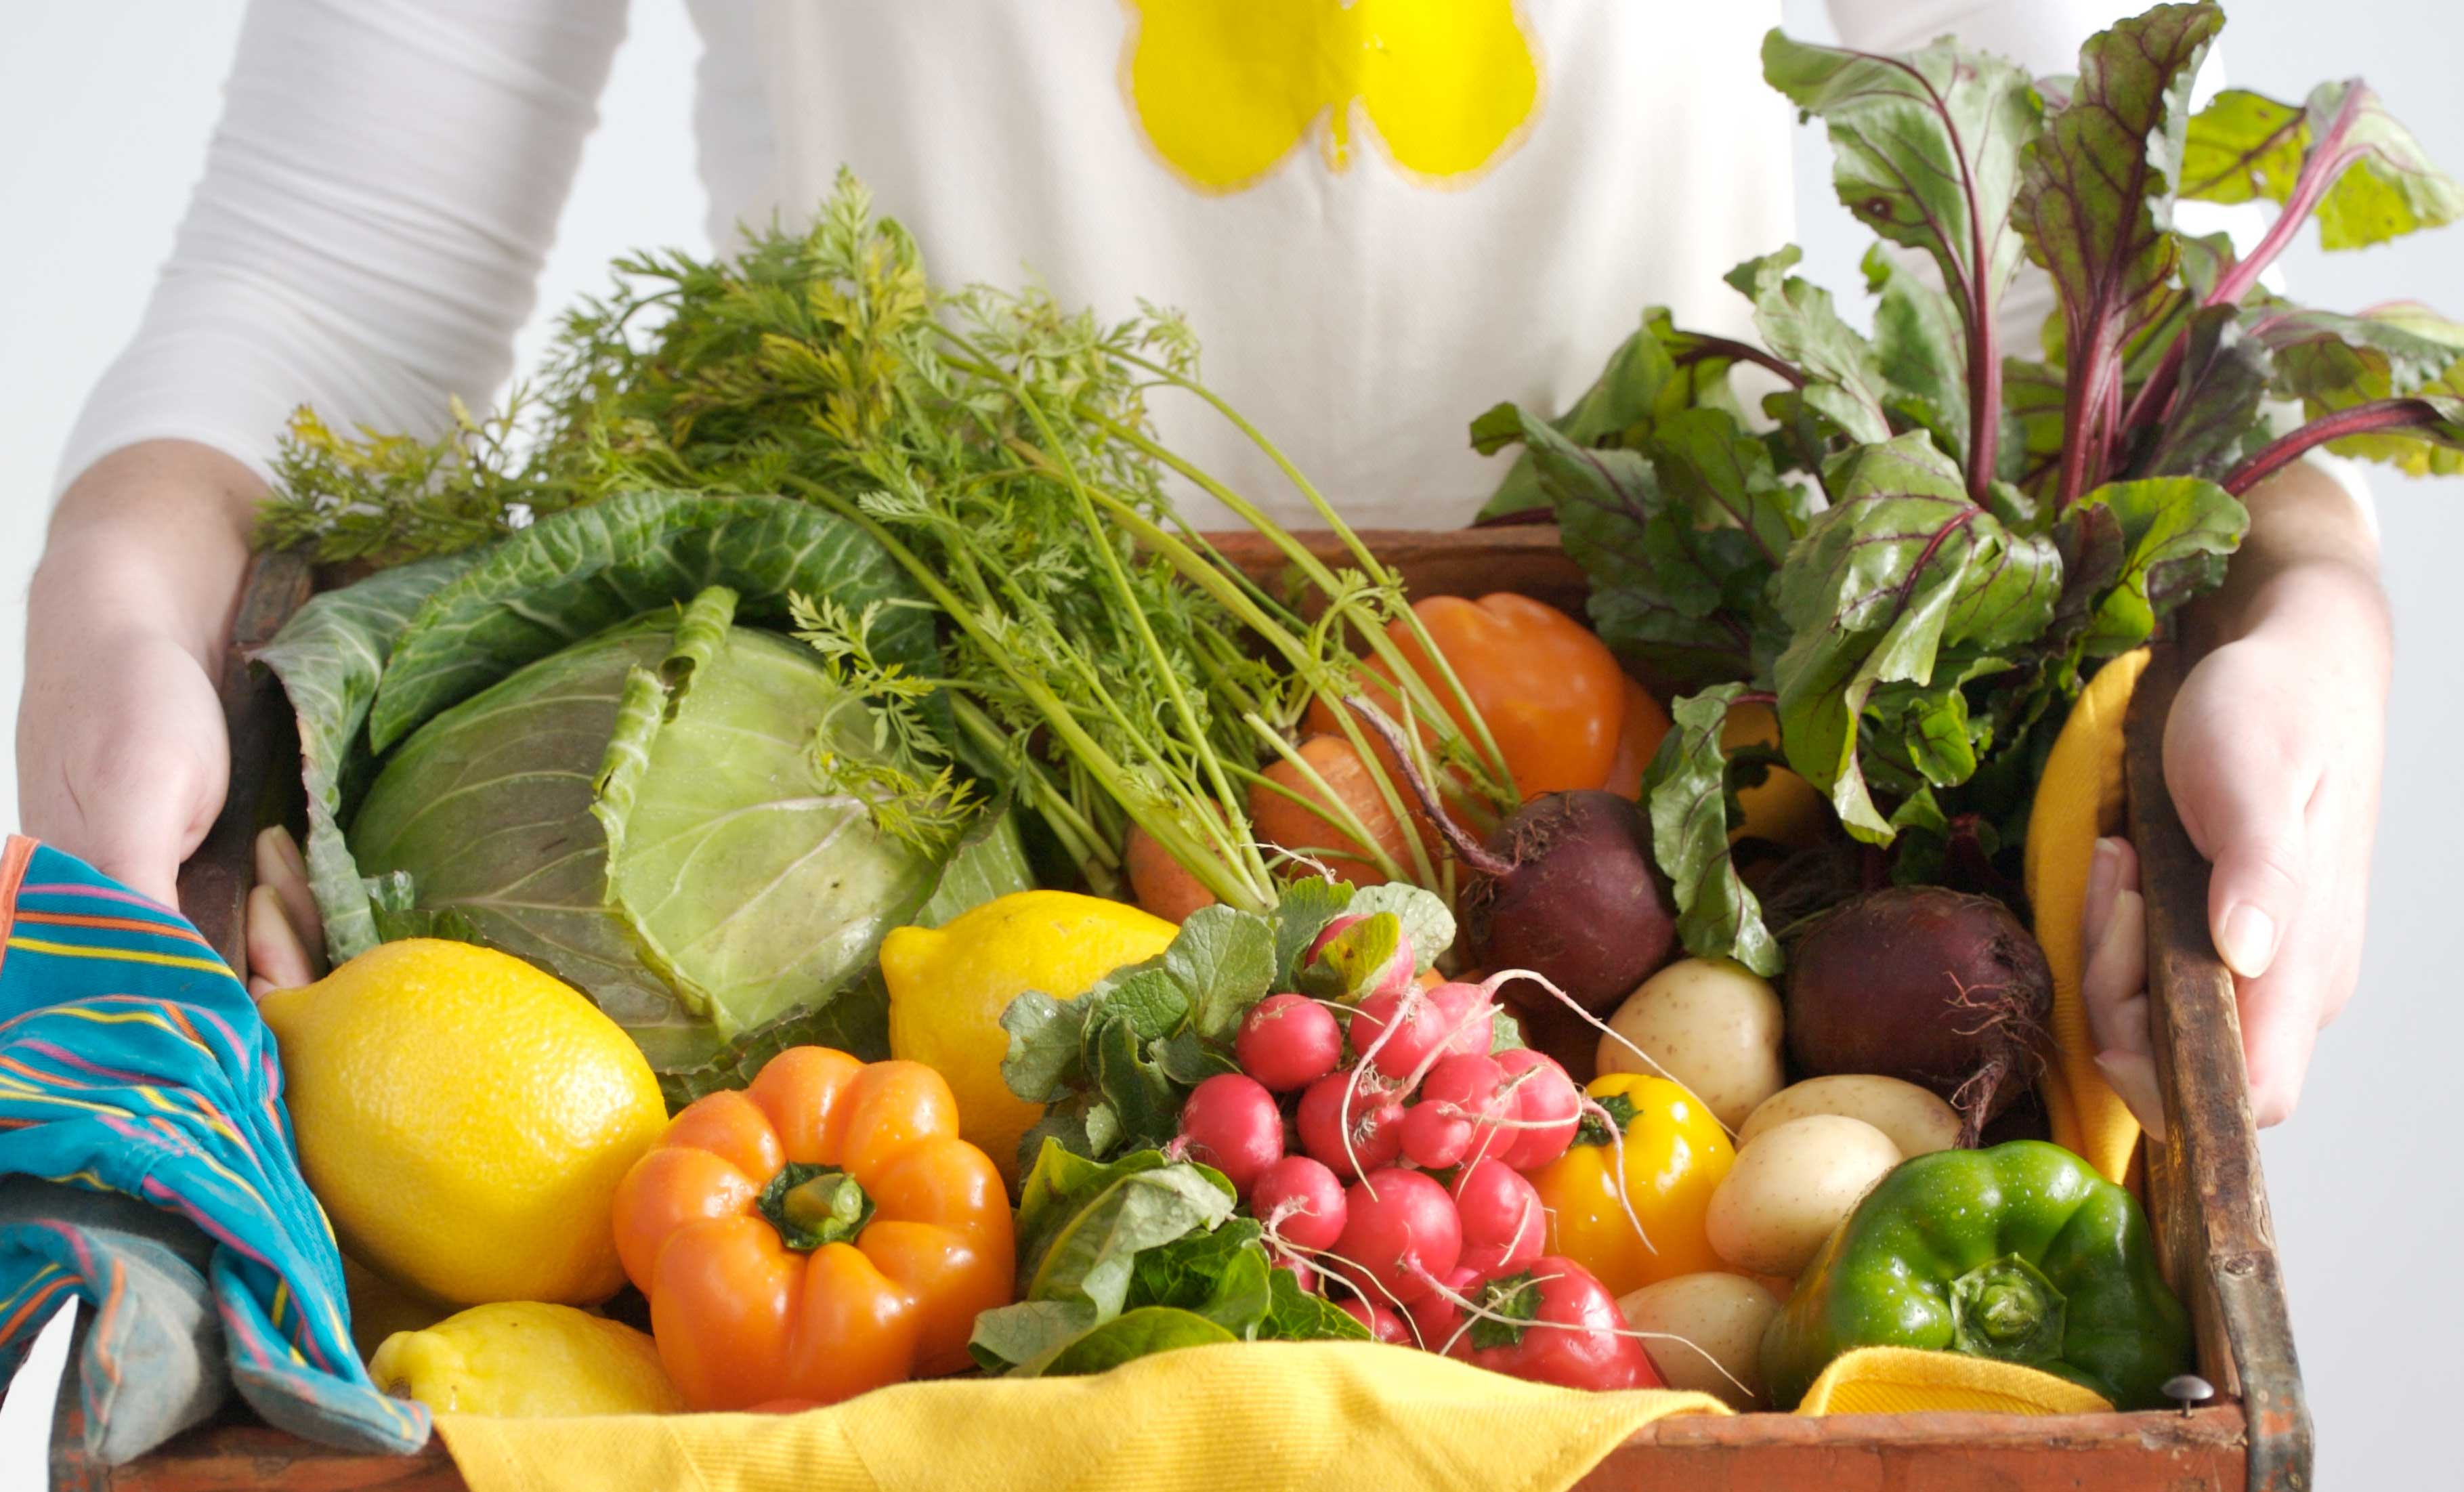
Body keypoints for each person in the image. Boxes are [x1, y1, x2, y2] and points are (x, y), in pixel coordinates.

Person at [18, 0, 2385, 1134]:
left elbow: (2090, 228)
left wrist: (2302, 601)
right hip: (930, 899)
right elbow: (339, 272)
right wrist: (131, 591)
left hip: (1698, 841)